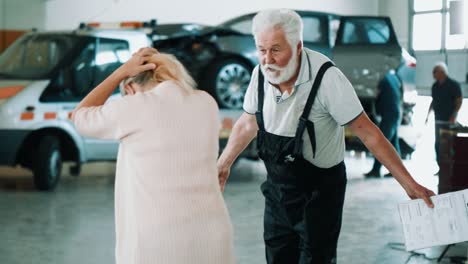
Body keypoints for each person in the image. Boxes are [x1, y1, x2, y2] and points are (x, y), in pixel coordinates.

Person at [217, 9, 435, 264]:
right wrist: (223, 164)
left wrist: (409, 184)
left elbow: (368, 132)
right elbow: (247, 123)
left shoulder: (327, 78)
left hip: (319, 194)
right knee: (277, 257)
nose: (268, 59)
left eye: (276, 49)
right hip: (278, 191)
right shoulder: (259, 75)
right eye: (262, 50)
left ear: (298, 46)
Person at [72, 48, 235, 264]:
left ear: (130, 88)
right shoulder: (207, 102)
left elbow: (80, 116)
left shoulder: (135, 105)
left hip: (158, 243)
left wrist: (119, 72)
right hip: (212, 235)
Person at [425, 62, 462, 175]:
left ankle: (453, 169)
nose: (433, 74)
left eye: (434, 71)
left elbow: (459, 101)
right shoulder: (435, 86)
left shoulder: (453, 85)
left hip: (449, 121)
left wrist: (453, 116)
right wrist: (427, 115)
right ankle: (442, 168)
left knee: (450, 145)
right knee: (438, 145)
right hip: (438, 120)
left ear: (442, 72)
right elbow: (433, 101)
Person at [365, 71, 402, 178]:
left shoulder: (380, 77)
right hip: (395, 112)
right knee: (394, 144)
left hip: (389, 113)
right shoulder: (393, 77)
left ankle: (376, 170)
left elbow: (375, 94)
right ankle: (396, 172)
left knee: (381, 143)